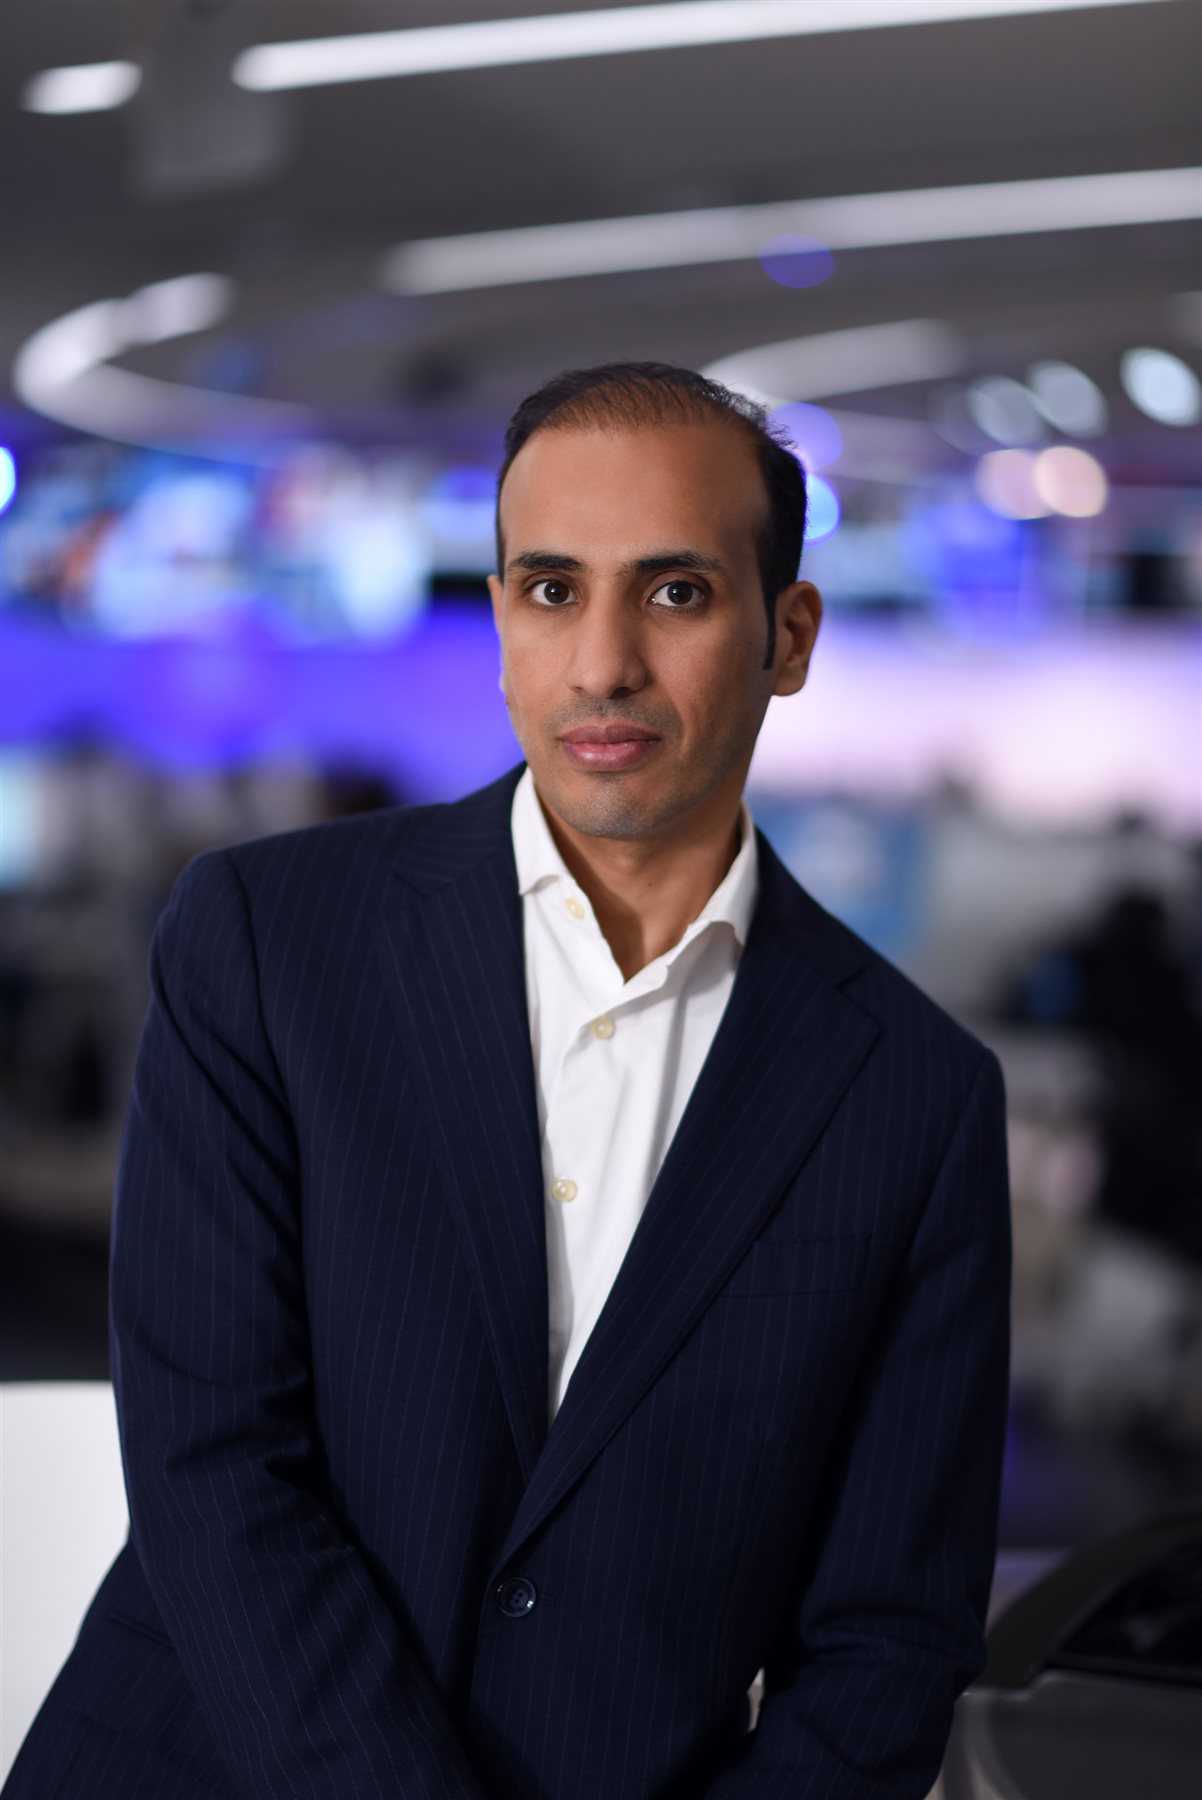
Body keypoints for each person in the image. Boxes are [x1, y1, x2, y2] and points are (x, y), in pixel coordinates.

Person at [7, 363, 1012, 1800]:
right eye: (551, 590)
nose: (601, 663)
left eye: (674, 592)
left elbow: (887, 1643)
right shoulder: (269, 940)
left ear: (787, 635)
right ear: (499, 620)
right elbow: (213, 1462)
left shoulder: (913, 1096)